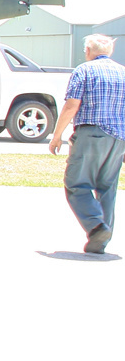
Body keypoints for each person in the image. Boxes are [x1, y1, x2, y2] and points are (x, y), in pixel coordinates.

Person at [49, 34, 125, 254]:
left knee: (76, 184)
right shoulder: (123, 72)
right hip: (118, 138)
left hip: (91, 133)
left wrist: (57, 135)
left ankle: (96, 226)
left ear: (89, 51)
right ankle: (100, 241)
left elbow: (72, 105)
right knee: (107, 188)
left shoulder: (84, 70)